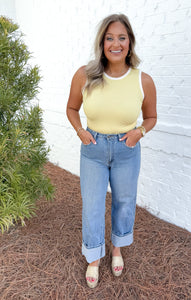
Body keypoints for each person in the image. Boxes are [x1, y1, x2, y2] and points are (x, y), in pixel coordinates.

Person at [66, 13, 157, 288]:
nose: (115, 44)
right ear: (102, 42)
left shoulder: (144, 80)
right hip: (93, 150)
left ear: (130, 43)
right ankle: (93, 256)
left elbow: (151, 117)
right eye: (109, 38)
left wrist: (138, 133)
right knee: (92, 206)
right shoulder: (85, 75)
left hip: (126, 150)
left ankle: (117, 249)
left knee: (124, 202)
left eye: (121, 38)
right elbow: (71, 109)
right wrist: (80, 131)